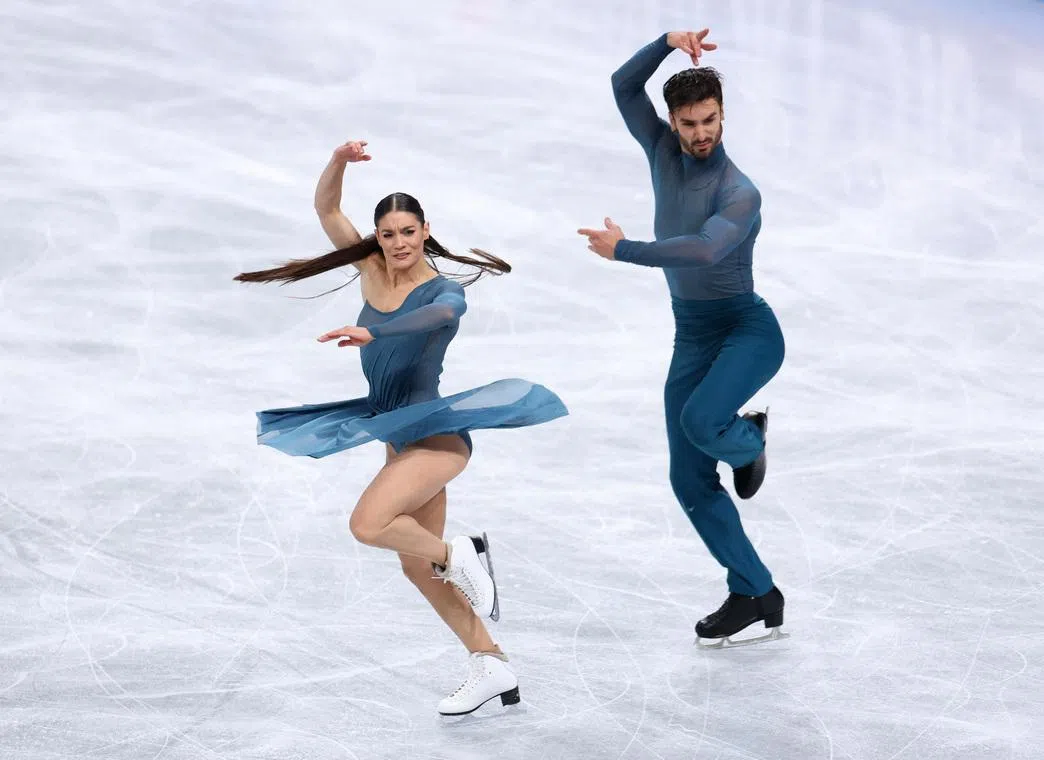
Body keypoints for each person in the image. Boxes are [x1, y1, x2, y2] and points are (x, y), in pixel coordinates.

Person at [235, 139, 568, 713]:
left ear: (425, 230)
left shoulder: (444, 290)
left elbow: (439, 317)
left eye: (408, 232)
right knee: (419, 569)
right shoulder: (370, 268)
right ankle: (490, 664)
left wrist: (377, 333)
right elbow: (327, 211)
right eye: (387, 234)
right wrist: (338, 161)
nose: (397, 244)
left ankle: (459, 551)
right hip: (397, 435)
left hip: (436, 437)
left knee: (368, 524)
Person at [577, 29, 786, 648]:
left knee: (701, 422)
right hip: (692, 335)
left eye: (711, 119)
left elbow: (702, 250)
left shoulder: (739, 192)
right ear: (672, 120)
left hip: (747, 331)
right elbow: (622, 84)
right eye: (689, 121)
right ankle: (755, 591)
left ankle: (748, 442)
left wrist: (625, 250)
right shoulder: (663, 150)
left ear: (724, 116)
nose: (701, 132)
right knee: (688, 480)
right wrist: (667, 41)